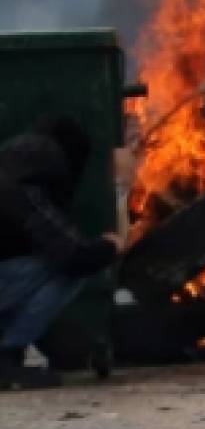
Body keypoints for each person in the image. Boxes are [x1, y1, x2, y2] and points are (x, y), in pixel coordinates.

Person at [0, 116, 120, 390]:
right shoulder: (27, 190)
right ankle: (7, 356)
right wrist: (111, 246)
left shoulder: (9, 169)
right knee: (66, 271)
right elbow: (74, 257)